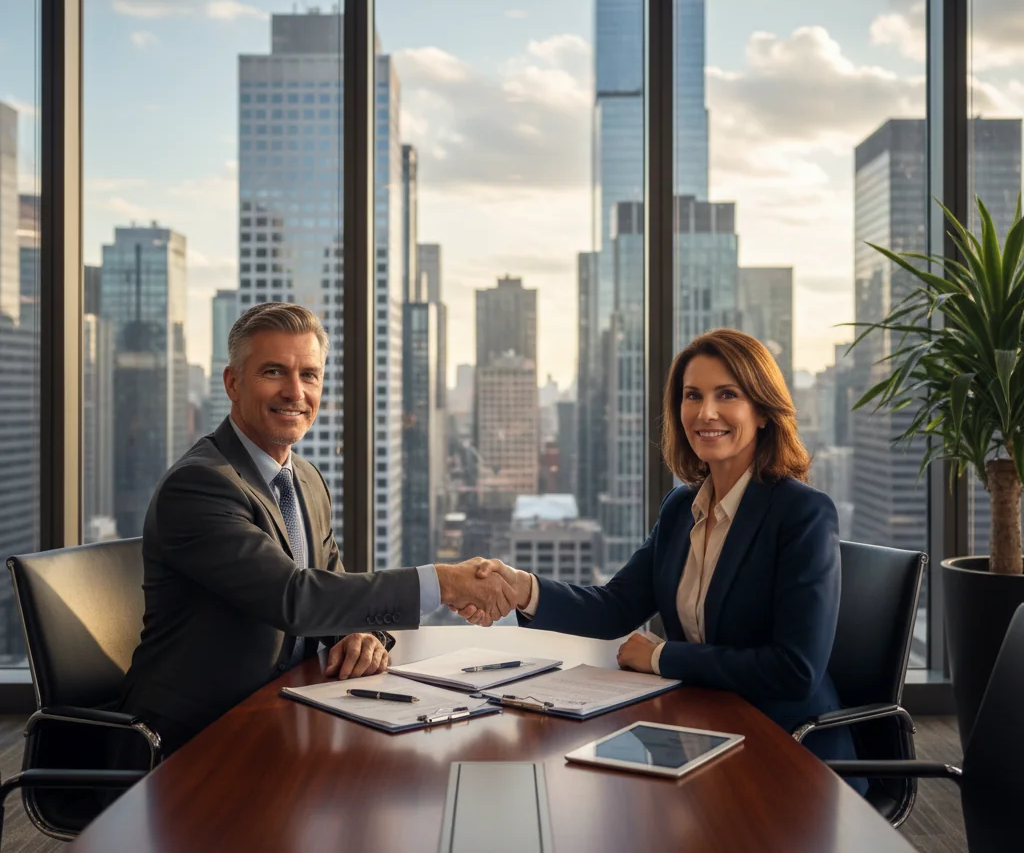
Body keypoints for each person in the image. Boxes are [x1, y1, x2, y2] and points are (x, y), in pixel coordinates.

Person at [118, 303, 515, 755]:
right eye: (274, 372)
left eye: (309, 375)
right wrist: (443, 583)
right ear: (232, 382)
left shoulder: (305, 479)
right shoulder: (200, 485)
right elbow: (296, 598)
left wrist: (359, 634)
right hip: (193, 739)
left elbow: (335, 589)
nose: (295, 392)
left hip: (282, 713)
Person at [460, 327, 862, 770]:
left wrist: (660, 655)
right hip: (700, 727)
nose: (706, 413)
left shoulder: (802, 513)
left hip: (787, 748)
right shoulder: (681, 507)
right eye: (692, 396)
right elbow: (616, 607)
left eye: (727, 394)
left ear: (763, 411)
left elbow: (795, 670)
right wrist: (523, 589)